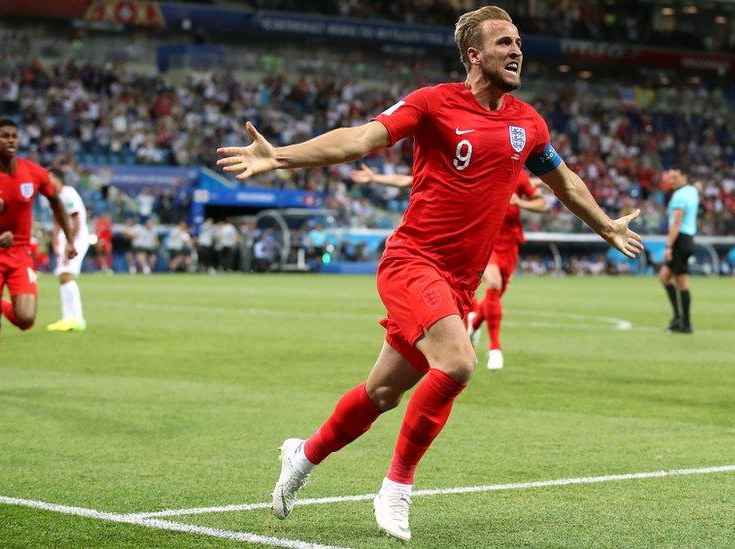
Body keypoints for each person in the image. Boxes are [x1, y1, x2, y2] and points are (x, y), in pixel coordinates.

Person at [217, 6, 642, 542]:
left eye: (519, 43)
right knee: (459, 362)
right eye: (504, 43)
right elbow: (361, 139)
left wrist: (605, 225)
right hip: (412, 262)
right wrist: (281, 158)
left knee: (381, 394)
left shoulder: (528, 123)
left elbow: (565, 180)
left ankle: (301, 456)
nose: (517, 51)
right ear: (474, 54)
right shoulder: (433, 102)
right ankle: (396, 488)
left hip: (458, 283)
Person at [350, 164, 548, 370]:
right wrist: (375, 177)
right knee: (494, 284)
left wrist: (521, 202)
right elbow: (410, 180)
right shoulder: (470, 168)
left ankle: (474, 320)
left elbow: (541, 203)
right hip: (481, 243)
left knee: (494, 295)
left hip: (510, 244)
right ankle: (495, 349)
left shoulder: (517, 174)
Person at [0, 117, 76, 399]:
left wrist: (70, 239)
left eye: (15, 135)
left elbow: (56, 203)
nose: (11, 140)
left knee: (26, 319)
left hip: (20, 254)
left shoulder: (34, 172)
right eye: (4, 136)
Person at [46, 170, 90, 332]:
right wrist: (55, 239)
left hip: (76, 237)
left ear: (59, 180)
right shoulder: (54, 198)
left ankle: (77, 319)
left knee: (67, 275)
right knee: (63, 276)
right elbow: (57, 220)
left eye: (51, 180)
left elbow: (76, 219)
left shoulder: (68, 194)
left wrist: (70, 243)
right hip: (66, 238)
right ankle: (68, 318)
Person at [657, 170, 699, 334]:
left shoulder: (679, 196)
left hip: (680, 240)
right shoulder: (693, 191)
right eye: (670, 178)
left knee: (681, 281)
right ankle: (677, 318)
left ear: (684, 177)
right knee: (664, 277)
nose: (671, 181)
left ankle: (686, 323)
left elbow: (676, 222)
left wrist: (669, 246)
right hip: (687, 239)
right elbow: (698, 188)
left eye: (675, 178)